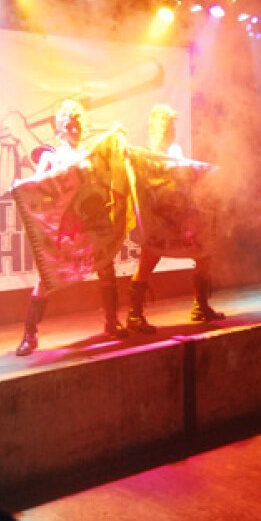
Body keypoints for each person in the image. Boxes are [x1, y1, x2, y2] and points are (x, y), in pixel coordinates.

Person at [14, 99, 132, 356]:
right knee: (48, 276)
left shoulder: (90, 154)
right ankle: (30, 333)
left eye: (78, 124)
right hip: (68, 226)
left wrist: (116, 139)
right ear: (60, 127)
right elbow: (37, 186)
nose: (75, 129)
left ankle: (112, 321)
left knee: (106, 267)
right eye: (69, 125)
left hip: (92, 221)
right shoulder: (51, 155)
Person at [128, 104, 224, 328]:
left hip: (181, 219)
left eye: (172, 128)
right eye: (167, 128)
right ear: (154, 129)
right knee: (148, 261)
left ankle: (201, 306)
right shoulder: (145, 156)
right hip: (158, 220)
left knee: (204, 254)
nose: (170, 133)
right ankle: (134, 314)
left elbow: (187, 178)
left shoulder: (176, 153)